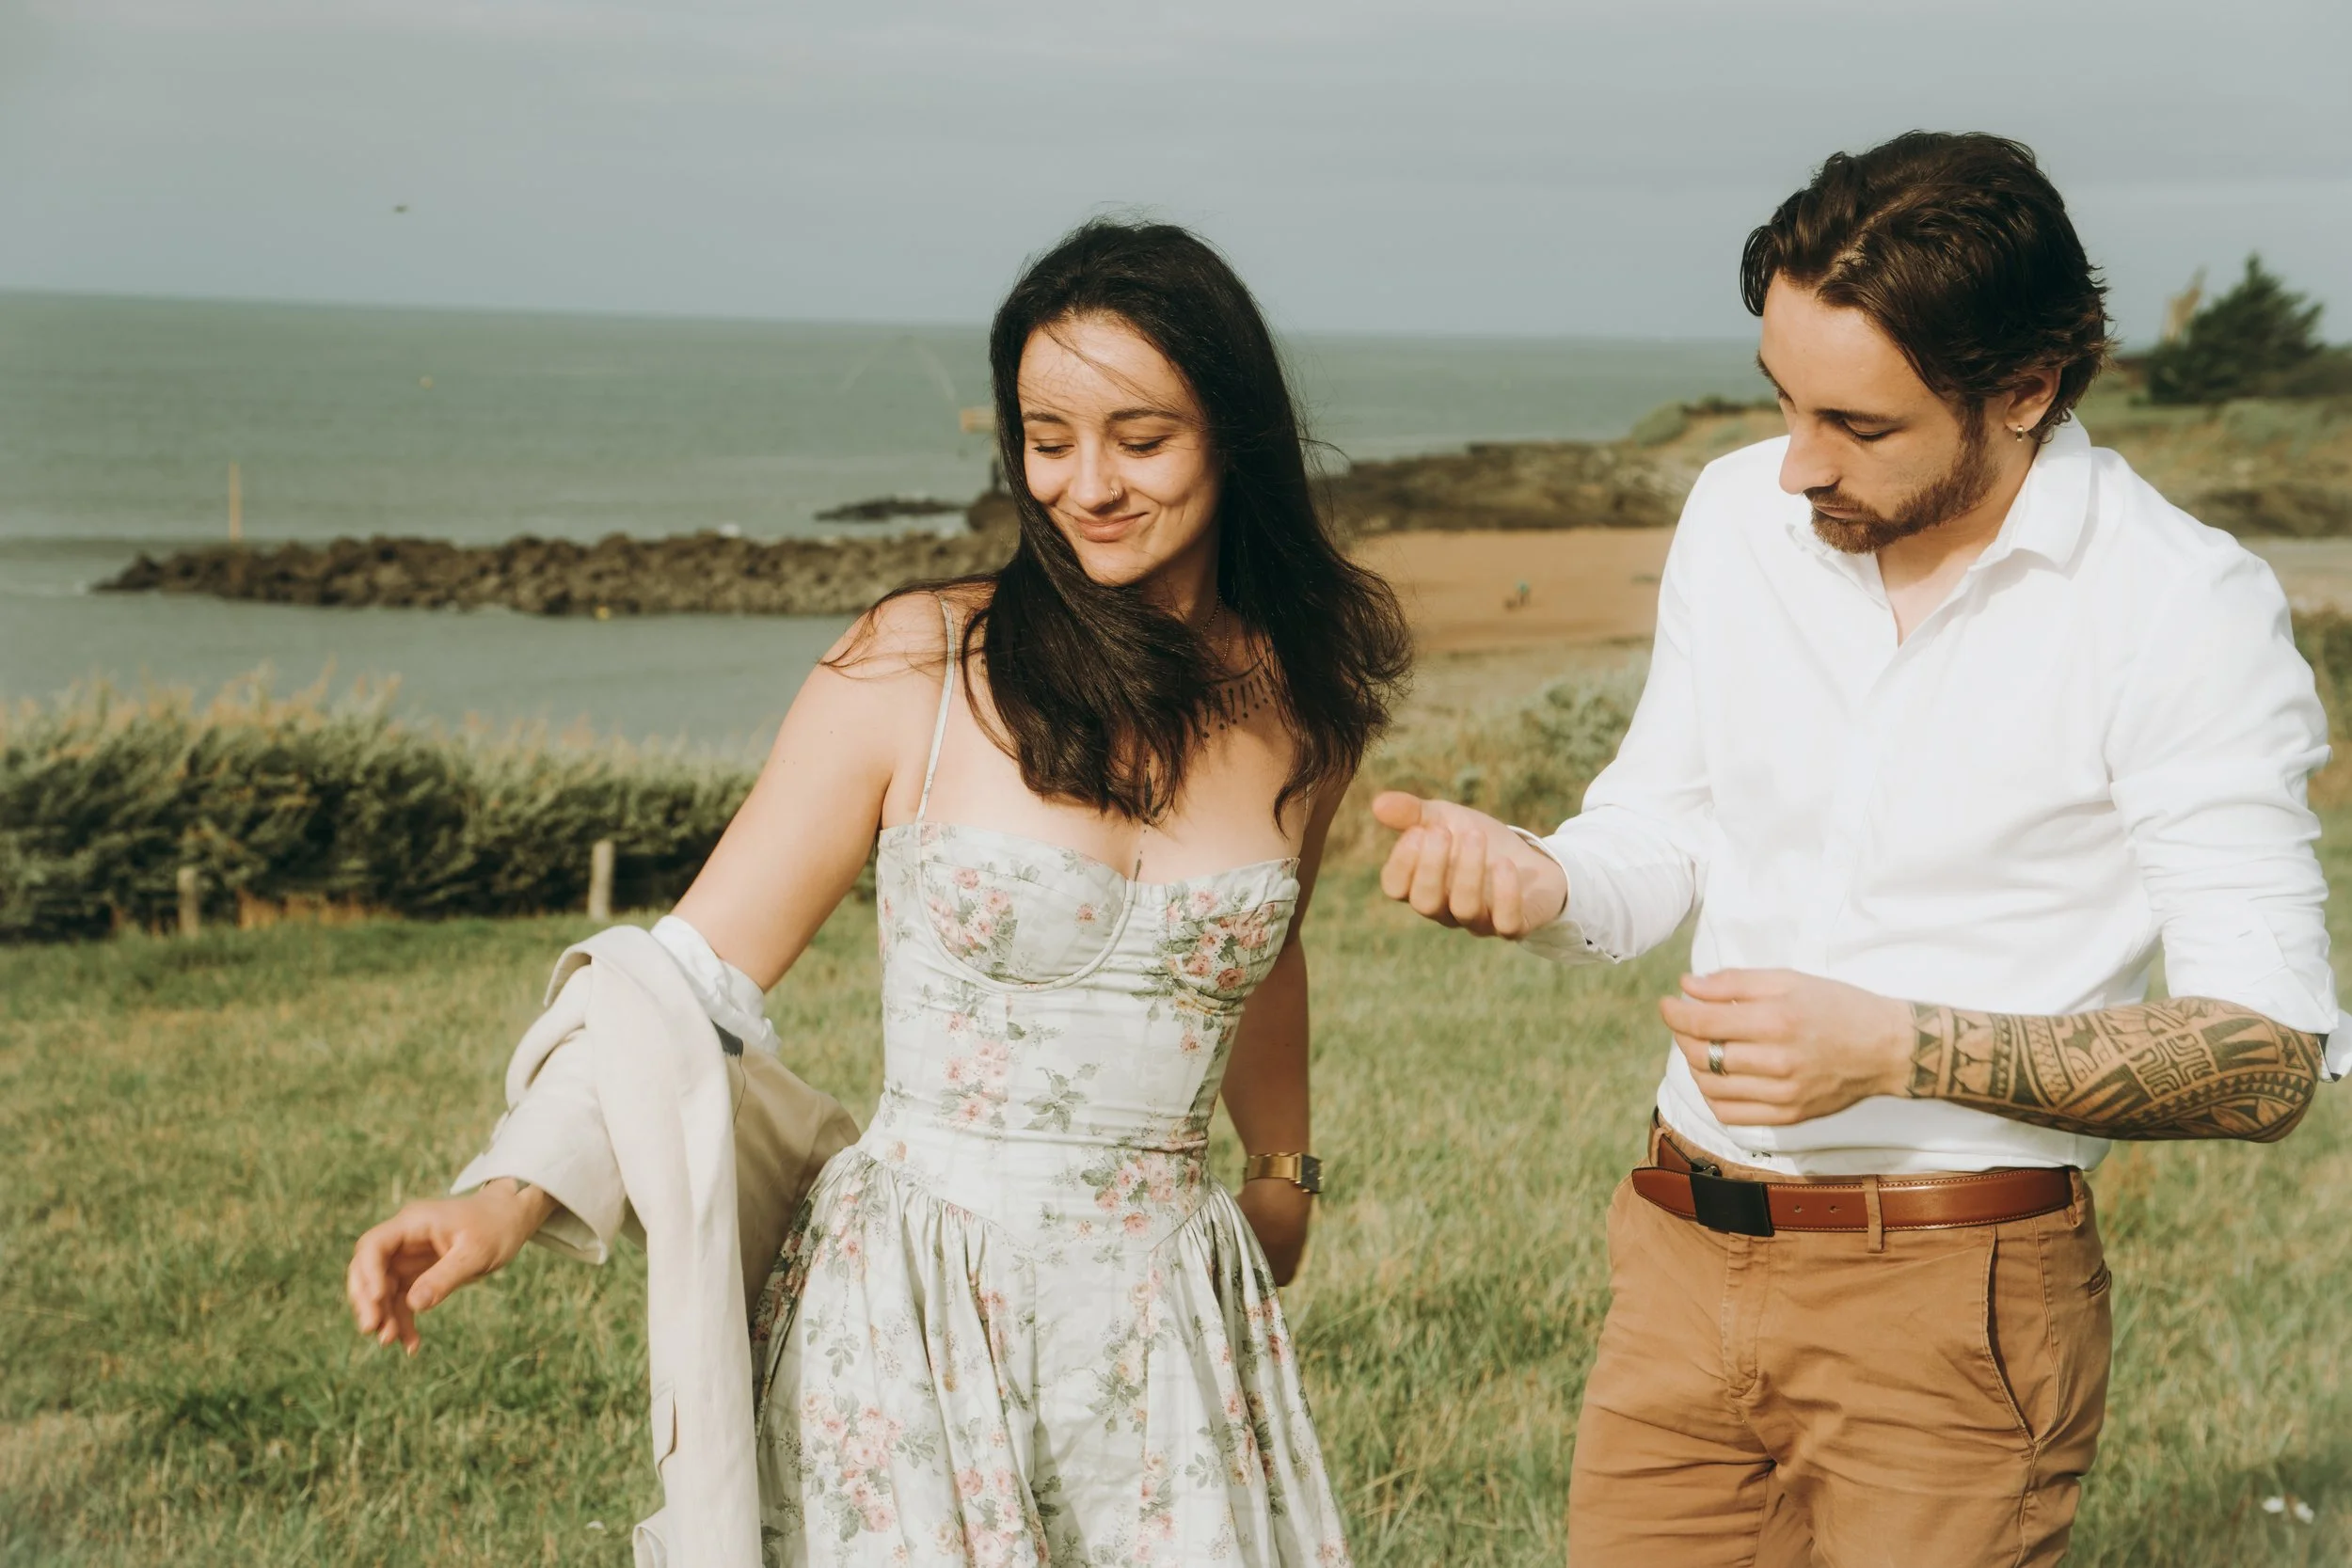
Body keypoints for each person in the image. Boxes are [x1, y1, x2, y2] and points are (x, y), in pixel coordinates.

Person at [347, 219, 1409, 1565]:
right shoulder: (921, 664)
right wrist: (504, 1193)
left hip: (1167, 1327)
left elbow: (1266, 946)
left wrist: (1283, 1174)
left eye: (1140, 438)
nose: (1086, 484)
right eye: (1047, 436)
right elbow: (689, 976)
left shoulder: (1305, 708)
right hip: (910, 1315)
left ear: (1233, 434)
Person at [1372, 132, 2341, 1567]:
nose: (1796, 466)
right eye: (1782, 403)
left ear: (2025, 390)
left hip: (1956, 1300)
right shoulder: (1738, 515)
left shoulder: (2181, 608)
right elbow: (1667, 818)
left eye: (1859, 426)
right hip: (1678, 1249)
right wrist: (1545, 874)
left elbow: (2267, 1055)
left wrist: (1896, 1048)